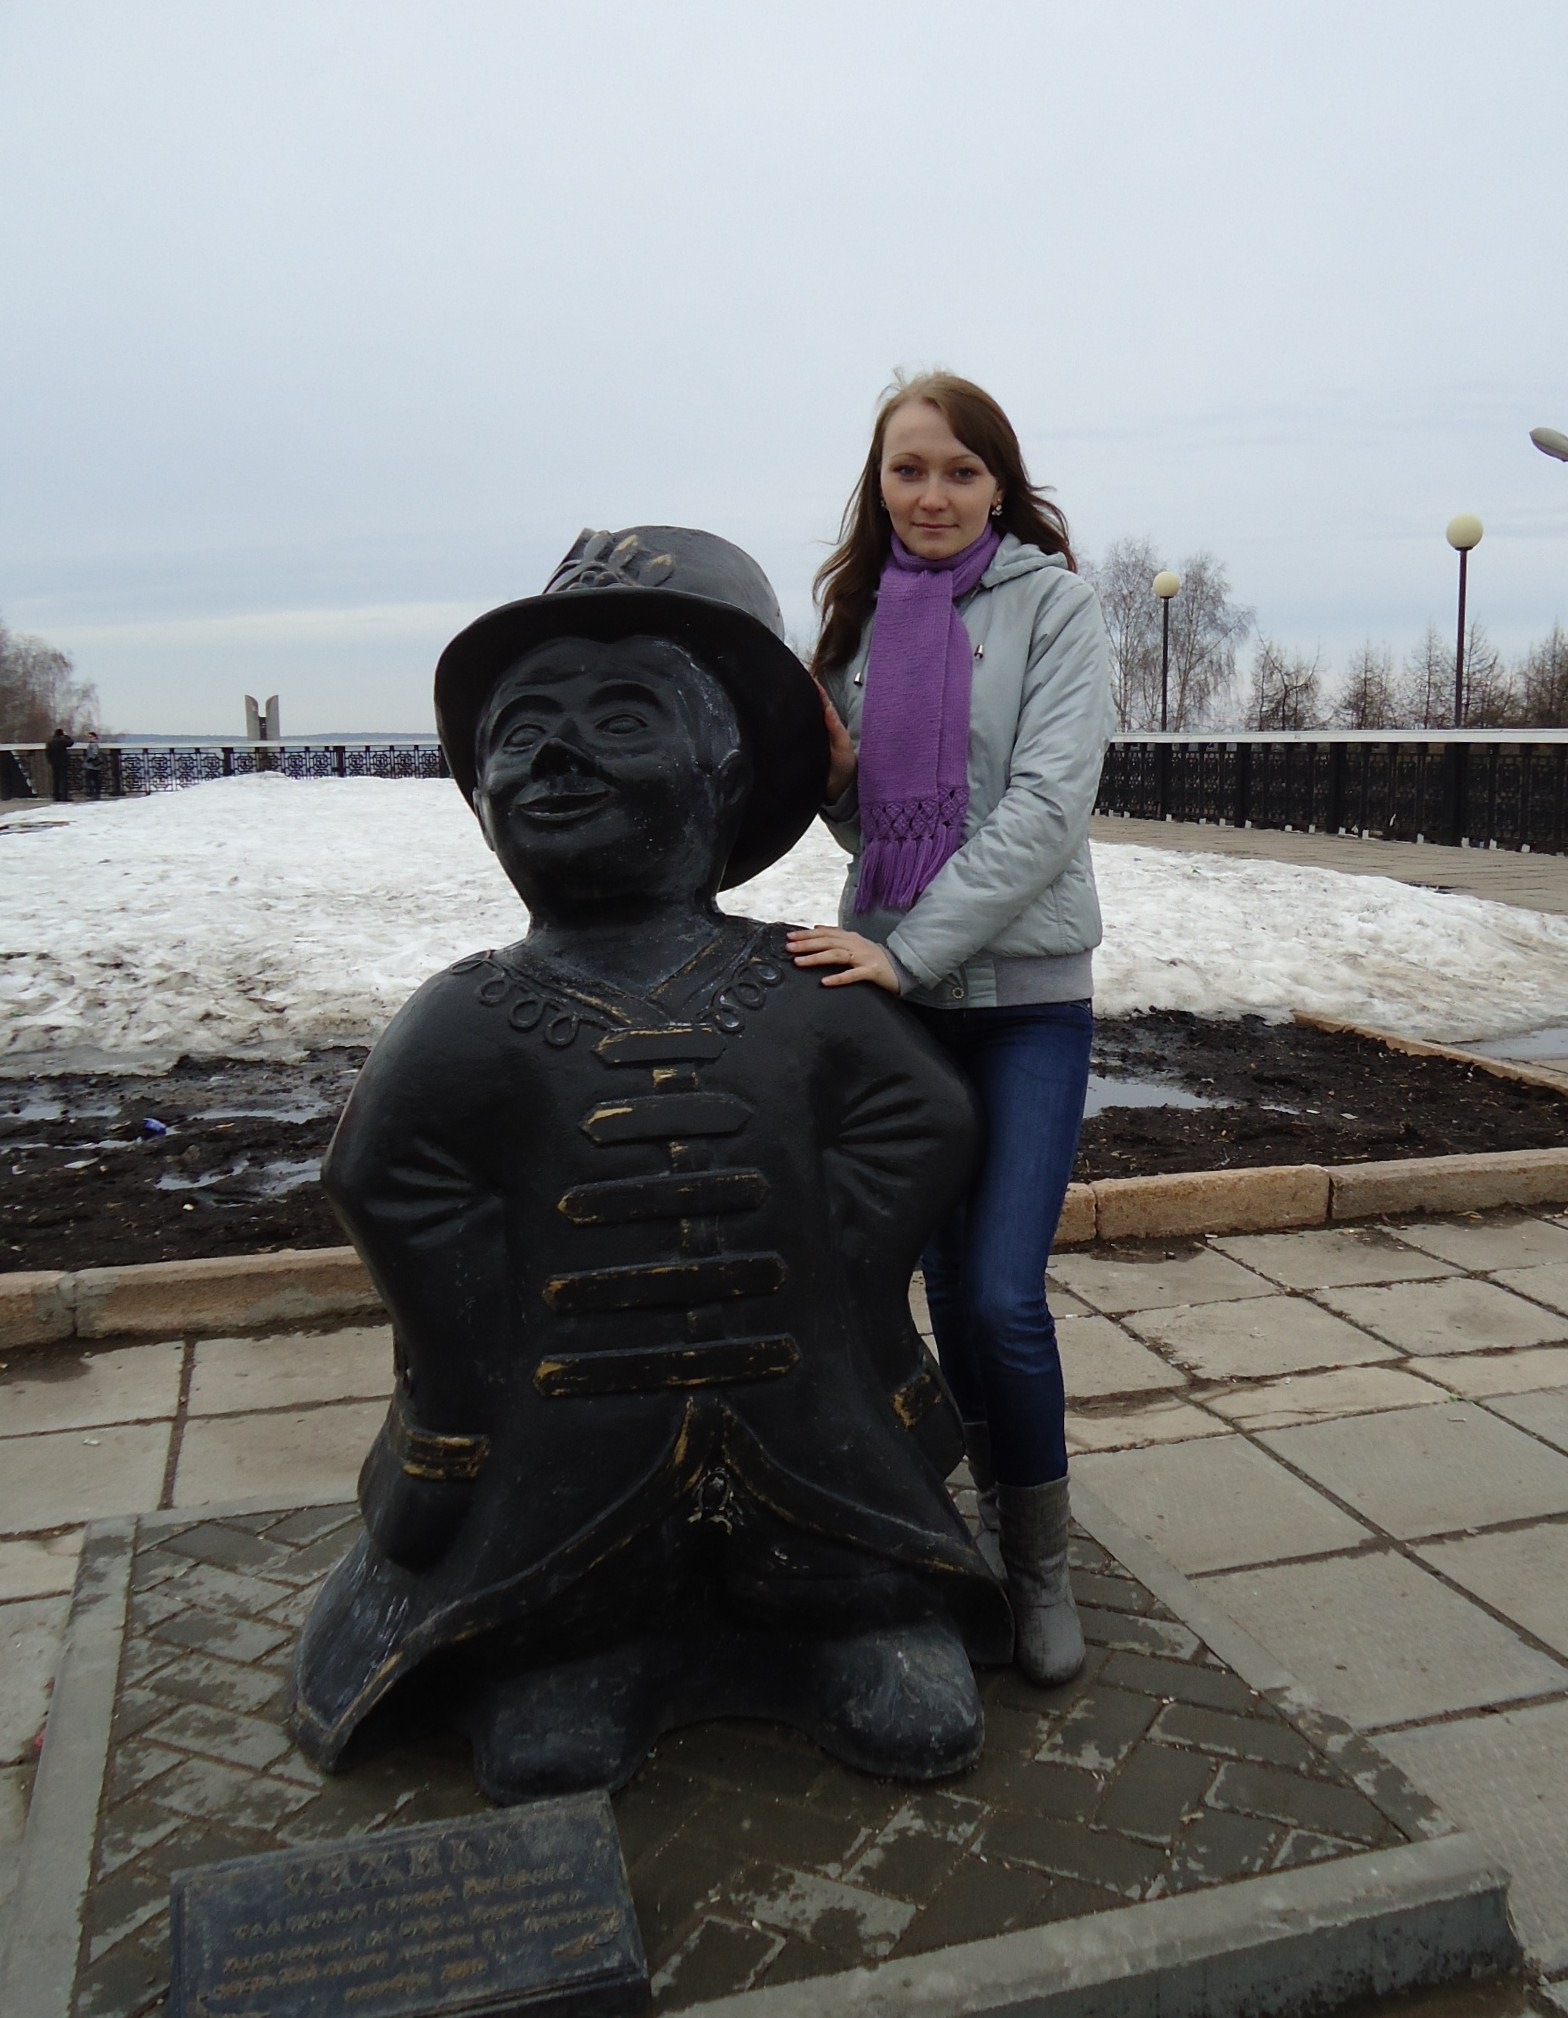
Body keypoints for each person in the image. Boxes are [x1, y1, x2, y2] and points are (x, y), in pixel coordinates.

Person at [289, 526, 1011, 1800]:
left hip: (806, 1414)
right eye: (521, 733)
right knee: (563, 1589)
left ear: (724, 774)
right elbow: (384, 1176)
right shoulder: (474, 1011)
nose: (556, 757)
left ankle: (851, 1624)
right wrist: (481, 1336)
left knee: (844, 1555)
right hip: (569, 1432)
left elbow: (923, 1118)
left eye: (621, 719)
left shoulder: (793, 981)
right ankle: (573, 1653)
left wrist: (819, 1264)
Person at [788, 373, 1116, 1688]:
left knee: (999, 1293)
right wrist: (833, 786)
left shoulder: (1055, 608)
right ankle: (983, 1512)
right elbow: (877, 834)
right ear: (878, 484)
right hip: (906, 1008)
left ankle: (1040, 1565)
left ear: (999, 484)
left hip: (1025, 1001)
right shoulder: (859, 625)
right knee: (938, 1283)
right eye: (908, 469)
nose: (932, 494)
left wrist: (908, 947)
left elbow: (1042, 811)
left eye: (960, 470)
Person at [45, 727, 73, 802]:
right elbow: (71, 743)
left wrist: (50, 761)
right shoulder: (62, 741)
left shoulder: (50, 742)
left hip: (54, 763)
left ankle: (56, 796)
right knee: (63, 779)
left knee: (55, 779)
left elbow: (47, 753)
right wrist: (67, 736)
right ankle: (64, 796)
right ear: (61, 734)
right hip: (63, 763)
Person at [81, 731, 105, 800]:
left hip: (92, 766)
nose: (89, 738)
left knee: (89, 779)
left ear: (94, 737)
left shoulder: (93, 744)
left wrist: (89, 759)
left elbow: (94, 753)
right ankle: (96, 794)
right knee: (95, 779)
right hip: (94, 766)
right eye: (88, 737)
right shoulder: (93, 744)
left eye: (91, 737)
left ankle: (92, 794)